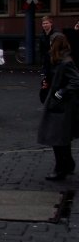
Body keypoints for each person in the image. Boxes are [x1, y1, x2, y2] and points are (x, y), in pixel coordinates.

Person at [37, 33, 79, 180]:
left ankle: (61, 168)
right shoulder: (57, 60)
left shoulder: (66, 61)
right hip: (57, 102)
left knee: (57, 136)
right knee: (60, 136)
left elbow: (75, 81)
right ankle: (67, 164)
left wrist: (60, 93)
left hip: (62, 105)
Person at [38, 15, 59, 103]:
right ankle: (48, 100)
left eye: (46, 23)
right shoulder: (42, 35)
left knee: (55, 80)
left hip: (55, 61)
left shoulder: (55, 34)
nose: (45, 25)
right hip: (46, 62)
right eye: (43, 23)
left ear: (51, 23)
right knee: (46, 80)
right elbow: (41, 49)